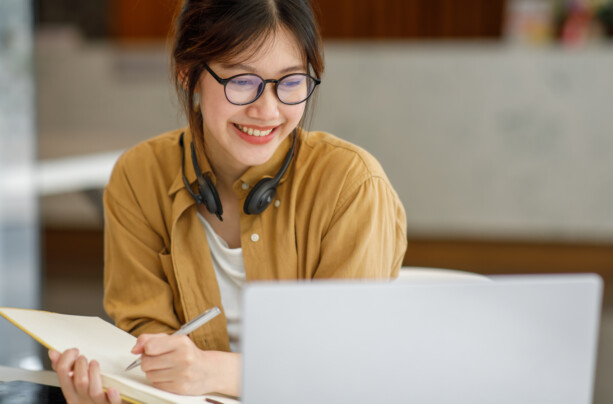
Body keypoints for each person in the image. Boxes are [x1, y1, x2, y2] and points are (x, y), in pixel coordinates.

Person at [48, 0, 407, 402]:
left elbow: (344, 367)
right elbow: (145, 341)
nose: (267, 110)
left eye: (290, 82)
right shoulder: (139, 177)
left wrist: (213, 372)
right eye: (241, 81)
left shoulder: (351, 185)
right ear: (189, 74)